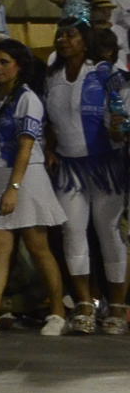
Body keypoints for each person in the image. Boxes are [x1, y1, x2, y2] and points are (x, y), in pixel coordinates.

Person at [0, 39, 68, 337]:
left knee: (38, 247)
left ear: (19, 66)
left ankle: (57, 311)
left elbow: (25, 146)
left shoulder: (27, 99)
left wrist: (14, 187)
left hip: (23, 177)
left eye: (4, 62)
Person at [45, 23, 123, 332]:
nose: (63, 40)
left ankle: (117, 306)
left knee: (109, 231)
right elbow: (48, 121)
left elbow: (121, 115)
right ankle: (84, 304)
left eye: (71, 35)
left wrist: (120, 128)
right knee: (72, 231)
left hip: (106, 165)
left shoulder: (105, 73)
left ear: (85, 41)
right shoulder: (51, 76)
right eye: (60, 35)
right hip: (69, 167)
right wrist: (50, 148)